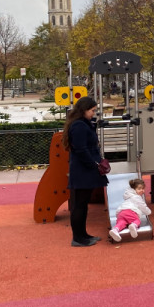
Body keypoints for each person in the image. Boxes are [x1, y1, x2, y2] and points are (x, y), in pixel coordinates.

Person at [62, 96, 109, 247]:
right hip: (82, 170)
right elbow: (81, 149)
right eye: (92, 110)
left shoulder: (82, 124)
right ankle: (78, 237)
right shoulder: (79, 126)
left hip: (84, 169)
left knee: (82, 204)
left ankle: (82, 234)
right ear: (84, 110)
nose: (93, 113)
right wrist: (94, 164)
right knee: (79, 204)